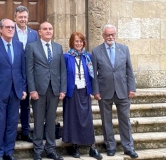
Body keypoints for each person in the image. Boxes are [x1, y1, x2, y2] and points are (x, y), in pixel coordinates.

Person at [92, 24, 138, 159]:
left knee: (125, 120)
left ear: (115, 35)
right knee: (106, 121)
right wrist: (96, 91)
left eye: (112, 34)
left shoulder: (124, 49)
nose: (110, 37)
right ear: (103, 36)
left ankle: (128, 147)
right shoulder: (96, 51)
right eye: (107, 34)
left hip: (123, 91)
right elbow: (93, 73)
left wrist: (132, 88)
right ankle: (110, 146)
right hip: (104, 91)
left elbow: (129, 70)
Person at [0, 18, 27, 160]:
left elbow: (22, 69)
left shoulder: (19, 45)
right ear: (0, 30)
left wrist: (23, 88)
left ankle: (9, 151)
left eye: (12, 27)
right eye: (7, 27)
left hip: (15, 90)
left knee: (12, 122)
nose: (10, 29)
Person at [25, 22, 66, 160]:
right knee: (38, 121)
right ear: (39, 32)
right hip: (38, 90)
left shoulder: (58, 47)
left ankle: (50, 149)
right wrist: (32, 89)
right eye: (45, 29)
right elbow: (29, 70)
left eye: (50, 28)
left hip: (54, 89)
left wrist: (62, 89)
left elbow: (62, 70)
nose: (48, 31)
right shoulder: (32, 47)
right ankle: (37, 150)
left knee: (51, 120)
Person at [62, 32, 102, 160]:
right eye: (76, 41)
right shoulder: (66, 57)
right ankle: (74, 146)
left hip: (84, 91)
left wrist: (95, 91)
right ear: (72, 43)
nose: (79, 43)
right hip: (71, 92)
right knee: (73, 119)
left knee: (87, 119)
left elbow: (93, 75)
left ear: (84, 43)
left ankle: (92, 147)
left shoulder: (87, 57)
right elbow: (63, 75)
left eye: (81, 41)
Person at [13, 5, 38, 143]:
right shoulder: (10, 31)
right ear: (15, 17)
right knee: (13, 104)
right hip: (14, 73)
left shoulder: (34, 34)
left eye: (25, 17)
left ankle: (25, 131)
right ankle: (11, 131)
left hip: (29, 74)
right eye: (20, 17)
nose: (23, 19)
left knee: (26, 105)